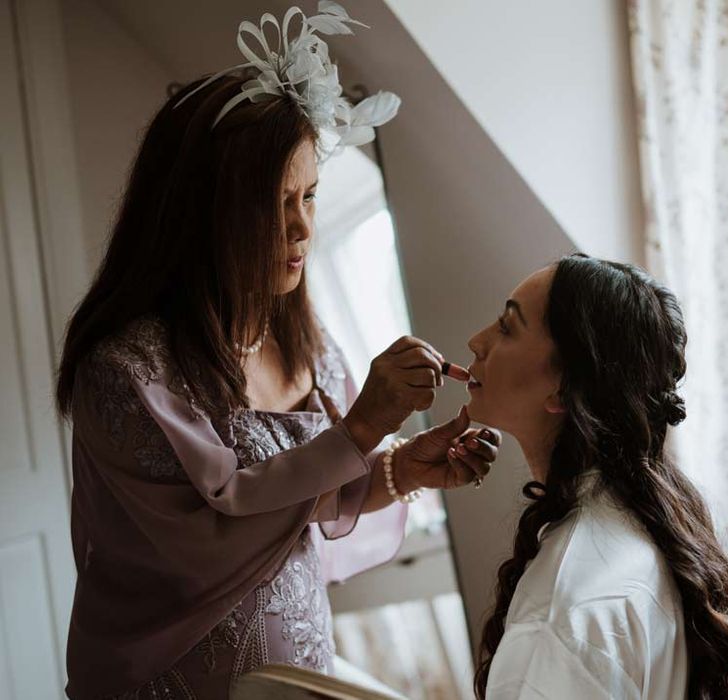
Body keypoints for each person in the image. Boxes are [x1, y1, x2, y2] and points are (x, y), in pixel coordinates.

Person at [55, 5, 500, 698]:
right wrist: (360, 429)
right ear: (200, 214)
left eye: (311, 196)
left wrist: (402, 468)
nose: (300, 228)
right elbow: (209, 544)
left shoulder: (309, 343)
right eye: (274, 203)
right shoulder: (128, 373)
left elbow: (310, 501)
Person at [467, 254, 728, 699]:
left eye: (507, 328)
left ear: (564, 386)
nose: (476, 342)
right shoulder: (665, 517)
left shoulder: (555, 624)